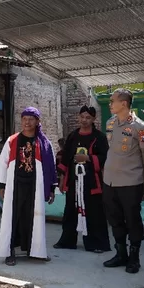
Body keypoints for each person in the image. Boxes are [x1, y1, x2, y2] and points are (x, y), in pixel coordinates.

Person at [0, 107, 58, 266]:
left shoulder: (44, 143)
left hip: (35, 186)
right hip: (16, 185)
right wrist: (2, 185)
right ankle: (9, 252)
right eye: (24, 119)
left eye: (31, 119)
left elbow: (51, 167)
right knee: (12, 217)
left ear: (37, 122)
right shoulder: (12, 140)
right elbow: (3, 163)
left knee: (34, 217)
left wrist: (51, 188)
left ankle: (35, 251)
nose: (27, 122)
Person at [102, 88, 144, 274]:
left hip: (130, 180)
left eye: (112, 101)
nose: (110, 104)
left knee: (132, 219)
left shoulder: (140, 127)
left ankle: (134, 257)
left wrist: (140, 174)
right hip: (110, 180)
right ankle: (120, 253)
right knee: (114, 218)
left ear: (123, 103)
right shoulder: (110, 123)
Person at [55, 105, 110, 253]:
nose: (84, 120)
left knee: (95, 212)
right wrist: (61, 180)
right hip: (73, 181)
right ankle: (67, 241)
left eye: (88, 118)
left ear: (93, 119)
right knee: (70, 211)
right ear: (78, 117)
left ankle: (97, 243)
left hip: (92, 182)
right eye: (82, 117)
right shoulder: (73, 136)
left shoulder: (100, 137)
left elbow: (106, 157)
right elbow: (65, 158)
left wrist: (88, 158)